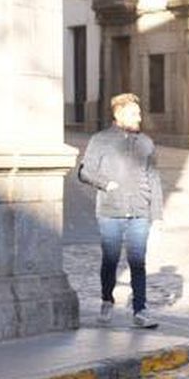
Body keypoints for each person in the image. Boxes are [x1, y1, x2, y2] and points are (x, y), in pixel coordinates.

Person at [76, 93, 163, 328]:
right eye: (134, 114)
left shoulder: (146, 142)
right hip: (110, 212)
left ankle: (140, 310)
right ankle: (107, 300)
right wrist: (106, 184)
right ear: (119, 114)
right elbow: (84, 172)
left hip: (139, 211)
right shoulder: (100, 140)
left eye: (139, 113)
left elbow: (153, 178)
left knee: (138, 261)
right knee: (110, 260)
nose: (139, 118)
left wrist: (157, 214)